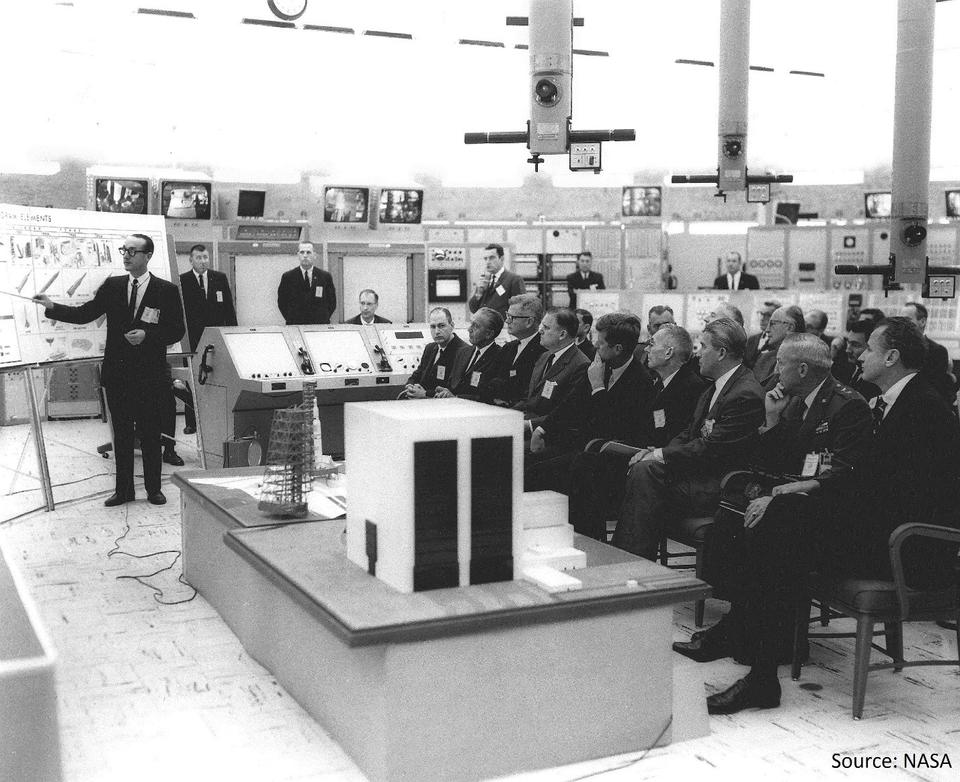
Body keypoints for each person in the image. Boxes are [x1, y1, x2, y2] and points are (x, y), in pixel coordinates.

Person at [678, 334, 873, 714]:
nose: (773, 369)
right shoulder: (798, 402)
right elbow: (776, 458)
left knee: (770, 527)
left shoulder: (848, 406)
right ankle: (738, 627)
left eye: (780, 363)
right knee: (733, 514)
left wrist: (781, 495)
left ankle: (762, 676)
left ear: (801, 368)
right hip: (803, 506)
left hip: (837, 519)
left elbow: (849, 473)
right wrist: (771, 421)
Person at [34, 234, 185, 506]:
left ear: (147, 256)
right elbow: (85, 313)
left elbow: (177, 330)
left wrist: (148, 337)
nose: (126, 255)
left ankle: (154, 489)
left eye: (132, 251)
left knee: (151, 434)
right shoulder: (113, 286)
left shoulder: (166, 290)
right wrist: (52, 307)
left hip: (150, 376)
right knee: (122, 435)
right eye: (123, 250)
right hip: (118, 374)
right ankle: (124, 490)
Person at [611, 318, 764, 561]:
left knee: (644, 473)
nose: (697, 353)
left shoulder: (744, 393)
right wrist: (658, 451)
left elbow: (710, 447)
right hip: (697, 475)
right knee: (642, 468)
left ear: (722, 353)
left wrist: (659, 455)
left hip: (720, 484)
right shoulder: (716, 386)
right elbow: (689, 433)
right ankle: (633, 562)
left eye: (703, 347)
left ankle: (631, 562)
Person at [526, 314, 654, 510]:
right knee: (527, 463)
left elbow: (611, 426)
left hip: (610, 456)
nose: (594, 345)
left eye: (600, 342)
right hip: (584, 448)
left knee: (542, 473)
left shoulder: (641, 381)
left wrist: (597, 387)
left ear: (617, 349)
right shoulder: (600, 366)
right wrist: (542, 429)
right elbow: (569, 404)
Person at [176, 243, 237, 437]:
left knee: (215, 378)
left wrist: (232, 336)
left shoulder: (219, 278)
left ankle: (213, 418)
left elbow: (229, 309)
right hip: (193, 339)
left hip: (216, 340)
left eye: (205, 258)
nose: (203, 261)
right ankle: (191, 422)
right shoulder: (182, 281)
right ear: (191, 260)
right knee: (192, 380)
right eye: (198, 258)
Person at [515, 309, 590, 431]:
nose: (540, 330)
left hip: (547, 434)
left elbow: (566, 414)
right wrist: (505, 414)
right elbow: (529, 399)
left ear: (562, 335)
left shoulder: (581, 365)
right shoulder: (544, 356)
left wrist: (529, 425)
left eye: (546, 327)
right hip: (526, 422)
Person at [399, 307, 472, 399]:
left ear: (452, 325)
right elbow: (417, 375)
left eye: (441, 326)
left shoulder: (463, 352)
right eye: (433, 327)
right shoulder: (430, 348)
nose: (437, 331)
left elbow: (453, 389)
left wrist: (425, 394)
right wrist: (410, 386)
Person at [488, 293, 546, 406]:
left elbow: (528, 391)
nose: (507, 321)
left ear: (529, 322)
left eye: (512, 317)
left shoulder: (543, 351)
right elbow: (488, 380)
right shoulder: (508, 348)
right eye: (507, 315)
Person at [899, 301, 957, 408]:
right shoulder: (896, 347)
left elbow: (936, 386)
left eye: (907, 320)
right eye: (901, 320)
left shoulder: (937, 351)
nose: (902, 324)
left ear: (922, 322)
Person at [447, 308, 503, 402]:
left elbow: (488, 396)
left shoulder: (500, 357)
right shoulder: (462, 352)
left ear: (489, 334)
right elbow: (451, 384)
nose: (469, 329)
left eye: (475, 326)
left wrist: (455, 397)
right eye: (471, 324)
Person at [277, 242, 337, 325]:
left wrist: (322, 318)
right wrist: (292, 319)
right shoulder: (288, 277)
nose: (305, 255)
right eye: (302, 252)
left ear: (314, 255)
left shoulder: (325, 277)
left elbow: (332, 303)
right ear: (298, 255)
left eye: (308, 252)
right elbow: (282, 303)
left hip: (319, 326)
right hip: (296, 325)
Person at [752, 305, 804, 388]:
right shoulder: (765, 358)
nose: (767, 330)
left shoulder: (804, 362)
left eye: (772, 324)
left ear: (790, 327)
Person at [468, 244, 526, 318]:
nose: (488, 262)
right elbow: (473, 309)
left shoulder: (514, 280)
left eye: (491, 258)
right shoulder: (484, 279)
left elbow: (521, 310)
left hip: (503, 327)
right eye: (485, 258)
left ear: (501, 259)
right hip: (484, 327)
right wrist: (478, 294)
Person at [744, 300, 780, 368]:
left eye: (768, 315)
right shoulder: (751, 339)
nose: (762, 318)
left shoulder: (778, 341)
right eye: (761, 314)